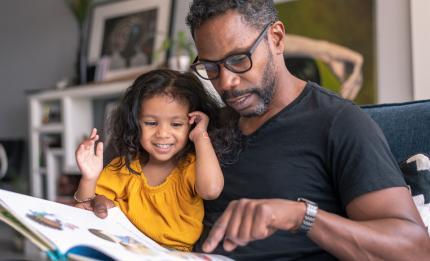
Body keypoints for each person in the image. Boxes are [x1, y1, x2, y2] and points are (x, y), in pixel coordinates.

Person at [183, 0, 430, 260]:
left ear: (276, 38)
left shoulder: (338, 122)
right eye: (211, 67)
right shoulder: (209, 125)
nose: (226, 82)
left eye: (239, 59)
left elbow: (416, 251)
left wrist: (301, 216)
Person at [73, 69, 225, 252]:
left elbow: (211, 191)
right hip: (125, 249)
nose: (162, 134)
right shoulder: (123, 168)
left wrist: (201, 136)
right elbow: (85, 206)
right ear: (136, 123)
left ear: (191, 124)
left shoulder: (191, 166)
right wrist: (89, 178)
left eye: (176, 124)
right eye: (151, 123)